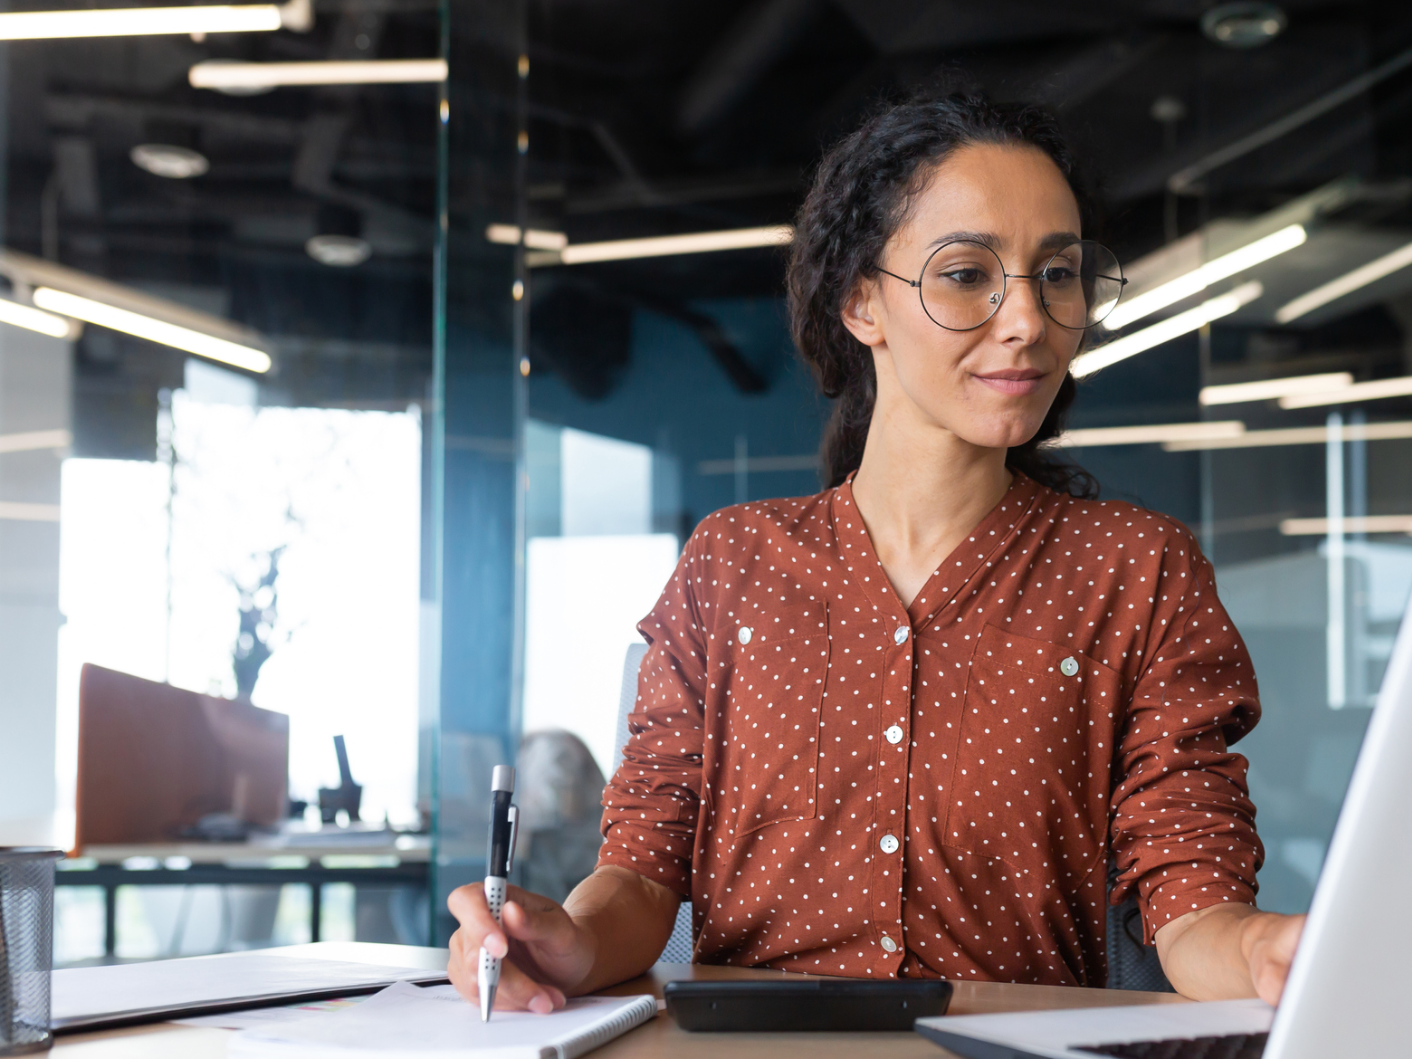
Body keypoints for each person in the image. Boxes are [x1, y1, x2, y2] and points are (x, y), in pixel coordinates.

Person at [447, 91, 1304, 1012]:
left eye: (1057, 274)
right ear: (863, 302)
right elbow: (644, 875)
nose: (1028, 320)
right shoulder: (733, 565)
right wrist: (568, 942)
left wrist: (1266, 950)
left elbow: (1193, 896)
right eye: (968, 273)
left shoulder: (1135, 572)